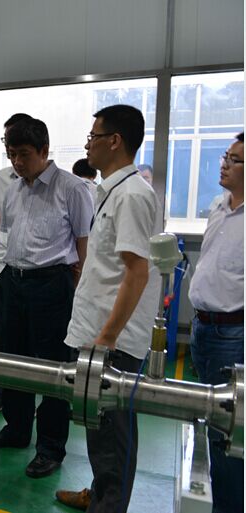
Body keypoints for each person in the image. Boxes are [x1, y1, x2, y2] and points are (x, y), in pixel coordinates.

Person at [55, 105, 160, 511]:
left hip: (110, 340)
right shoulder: (112, 191)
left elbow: (137, 272)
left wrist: (107, 337)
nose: (88, 145)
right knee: (98, 428)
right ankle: (99, 495)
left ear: (114, 141)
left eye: (93, 137)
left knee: (113, 436)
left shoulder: (132, 195)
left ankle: (108, 505)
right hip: (96, 330)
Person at [0, 118, 94, 478]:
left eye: (24, 154)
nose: (17, 162)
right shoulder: (12, 188)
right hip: (13, 282)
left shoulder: (72, 188)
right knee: (14, 361)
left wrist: (78, 292)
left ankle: (50, 447)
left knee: (53, 370)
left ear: (44, 150)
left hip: (52, 286)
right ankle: (16, 430)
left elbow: (84, 245)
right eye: (11, 154)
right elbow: (7, 230)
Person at [187, 132, 244, 513]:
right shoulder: (217, 206)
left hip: (232, 333)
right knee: (209, 420)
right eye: (226, 156)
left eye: (235, 160)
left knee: (229, 429)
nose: (224, 163)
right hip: (202, 328)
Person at [0, 112, 31, 413]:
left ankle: (31, 392)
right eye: (6, 140)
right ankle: (0, 392)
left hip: (28, 267)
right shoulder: (1, 177)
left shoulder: (53, 182)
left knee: (27, 334)